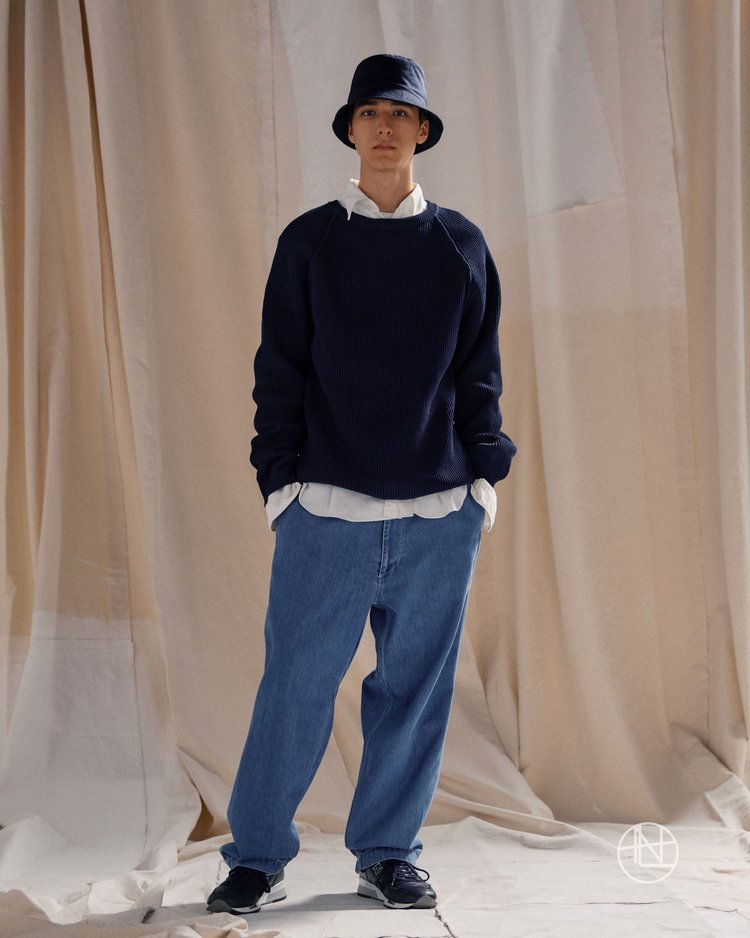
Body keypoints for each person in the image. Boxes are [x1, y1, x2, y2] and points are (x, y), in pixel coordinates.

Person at [207, 53, 516, 916]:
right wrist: (281, 484)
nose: (385, 126)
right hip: (326, 508)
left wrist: (482, 479)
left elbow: (478, 372)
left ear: (423, 131)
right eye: (371, 112)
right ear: (351, 128)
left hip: (438, 511)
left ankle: (387, 854)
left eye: (401, 113)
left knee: (413, 694)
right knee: (295, 688)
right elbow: (280, 370)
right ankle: (256, 857)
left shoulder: (460, 244)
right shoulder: (310, 241)